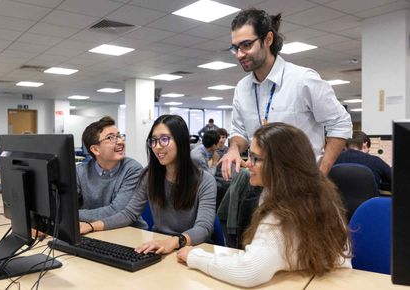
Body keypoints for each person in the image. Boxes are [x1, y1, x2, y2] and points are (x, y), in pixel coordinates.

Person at [177, 122, 351, 287]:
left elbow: (248, 271)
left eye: (256, 158)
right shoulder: (318, 193)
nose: (248, 163)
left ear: (280, 165)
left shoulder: (283, 213)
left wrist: (195, 256)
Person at [220, 8, 352, 180]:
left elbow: (340, 123)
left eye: (246, 45)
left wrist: (322, 173)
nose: (239, 54)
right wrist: (234, 148)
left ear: (268, 39)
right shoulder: (242, 88)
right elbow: (240, 132)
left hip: (302, 186)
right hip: (263, 186)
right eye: (235, 48)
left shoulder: (303, 80)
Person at [99, 114, 217, 254]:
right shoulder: (150, 175)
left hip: (192, 249)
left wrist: (173, 242)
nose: (157, 147)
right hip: (159, 246)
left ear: (181, 141)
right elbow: (129, 213)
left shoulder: (205, 181)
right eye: (153, 140)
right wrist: (90, 226)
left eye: (164, 139)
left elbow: (204, 228)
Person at [77, 116, 145, 234]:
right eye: (111, 138)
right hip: (94, 232)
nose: (120, 141)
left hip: (129, 233)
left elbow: (117, 211)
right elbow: (64, 205)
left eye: (119, 136)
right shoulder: (80, 171)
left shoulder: (132, 169)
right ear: (95, 150)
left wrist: (72, 214)